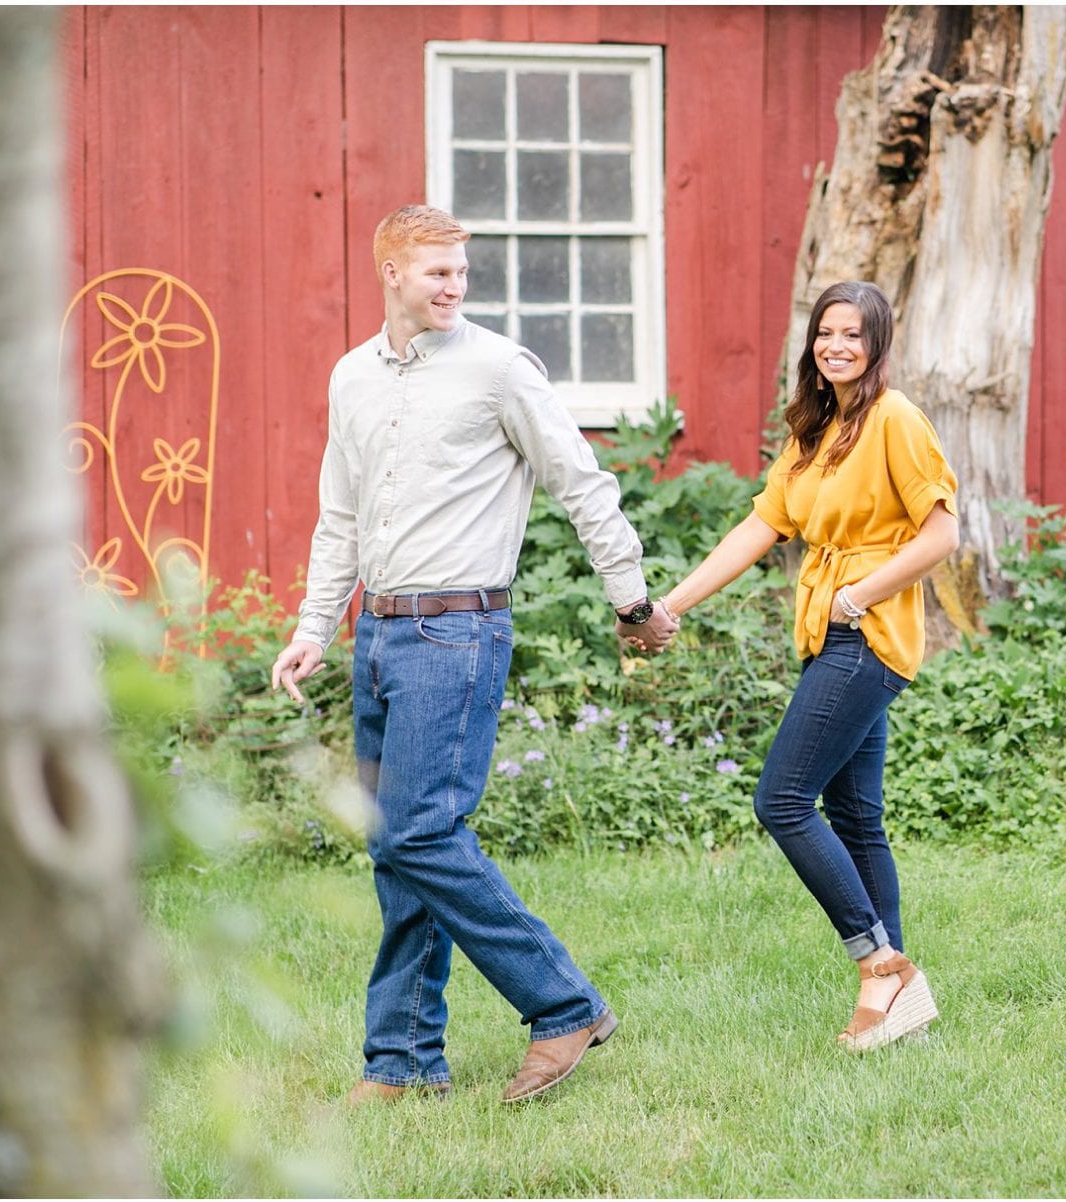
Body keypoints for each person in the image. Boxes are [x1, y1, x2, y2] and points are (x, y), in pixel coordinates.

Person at [269, 205, 678, 1104]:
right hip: (377, 633)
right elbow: (340, 516)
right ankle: (404, 1063)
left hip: (457, 633)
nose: (455, 286)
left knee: (420, 829)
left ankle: (562, 1003)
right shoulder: (352, 380)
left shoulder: (498, 369)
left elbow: (583, 481)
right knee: (395, 847)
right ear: (390, 272)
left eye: (462, 271)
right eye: (437, 273)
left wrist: (631, 598)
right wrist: (313, 626)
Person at [649, 280, 958, 1052]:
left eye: (854, 334)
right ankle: (902, 1008)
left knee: (783, 799)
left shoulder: (894, 420)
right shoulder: (817, 430)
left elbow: (942, 535)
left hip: (867, 635)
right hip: (833, 635)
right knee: (856, 817)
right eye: (826, 332)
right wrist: (673, 606)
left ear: (877, 344)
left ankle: (877, 961)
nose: (837, 346)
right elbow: (759, 528)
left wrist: (857, 595)